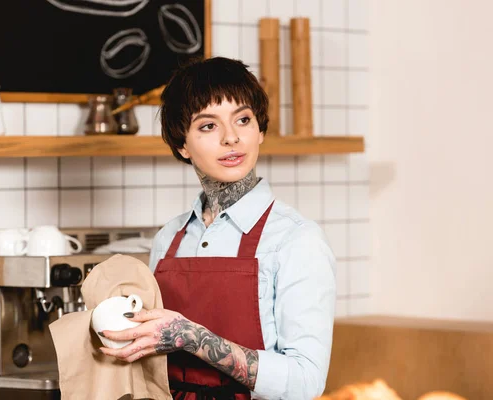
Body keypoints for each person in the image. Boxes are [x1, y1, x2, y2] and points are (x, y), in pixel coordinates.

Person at [99, 57, 337, 400]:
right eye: (208, 126)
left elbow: (306, 382)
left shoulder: (296, 240)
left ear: (261, 131)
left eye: (243, 119)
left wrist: (193, 338)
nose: (231, 138)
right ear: (182, 144)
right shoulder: (169, 239)